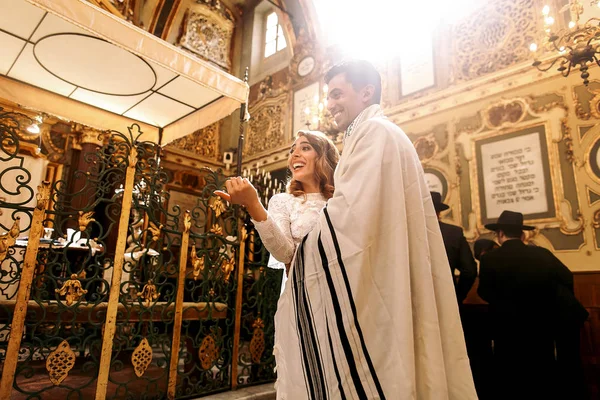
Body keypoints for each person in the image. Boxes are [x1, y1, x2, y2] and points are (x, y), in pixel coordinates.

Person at [267, 60, 477, 399]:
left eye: (337, 94)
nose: (330, 104)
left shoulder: (374, 133)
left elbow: (351, 215)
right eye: (328, 96)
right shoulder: (377, 133)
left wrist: (301, 255)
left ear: (366, 92)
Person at [478, 210, 588, 399]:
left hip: (506, 329)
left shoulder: (489, 259)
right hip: (540, 326)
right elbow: (567, 277)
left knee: (509, 376)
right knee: (542, 375)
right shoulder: (542, 254)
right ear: (522, 234)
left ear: (500, 234)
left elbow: (484, 291)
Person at [214, 130, 339, 293]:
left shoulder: (340, 201)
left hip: (340, 287)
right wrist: (253, 204)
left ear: (323, 157)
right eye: (292, 150)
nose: (295, 154)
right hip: (301, 291)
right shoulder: (283, 202)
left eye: (305, 148)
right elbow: (285, 254)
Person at [431, 191, 477, 304]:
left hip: (414, 304)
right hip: (447, 300)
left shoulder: (407, 234)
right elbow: (469, 270)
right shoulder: (453, 233)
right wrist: (457, 296)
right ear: (439, 212)